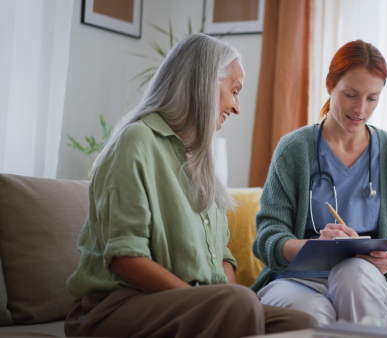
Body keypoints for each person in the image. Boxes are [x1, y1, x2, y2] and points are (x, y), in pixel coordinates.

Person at [64, 33, 317, 338]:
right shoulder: (137, 141)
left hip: (191, 303)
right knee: (238, 304)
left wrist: (216, 301)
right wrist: (205, 302)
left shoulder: (201, 160)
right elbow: (125, 258)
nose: (237, 107)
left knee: (303, 324)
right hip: (117, 306)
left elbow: (223, 256)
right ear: (205, 83)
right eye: (234, 91)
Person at [251, 40, 387, 325]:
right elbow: (268, 238)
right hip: (296, 280)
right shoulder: (294, 149)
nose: (360, 109)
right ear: (330, 84)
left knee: (353, 273)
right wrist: (315, 246)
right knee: (314, 314)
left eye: (372, 98)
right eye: (350, 95)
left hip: (363, 277)